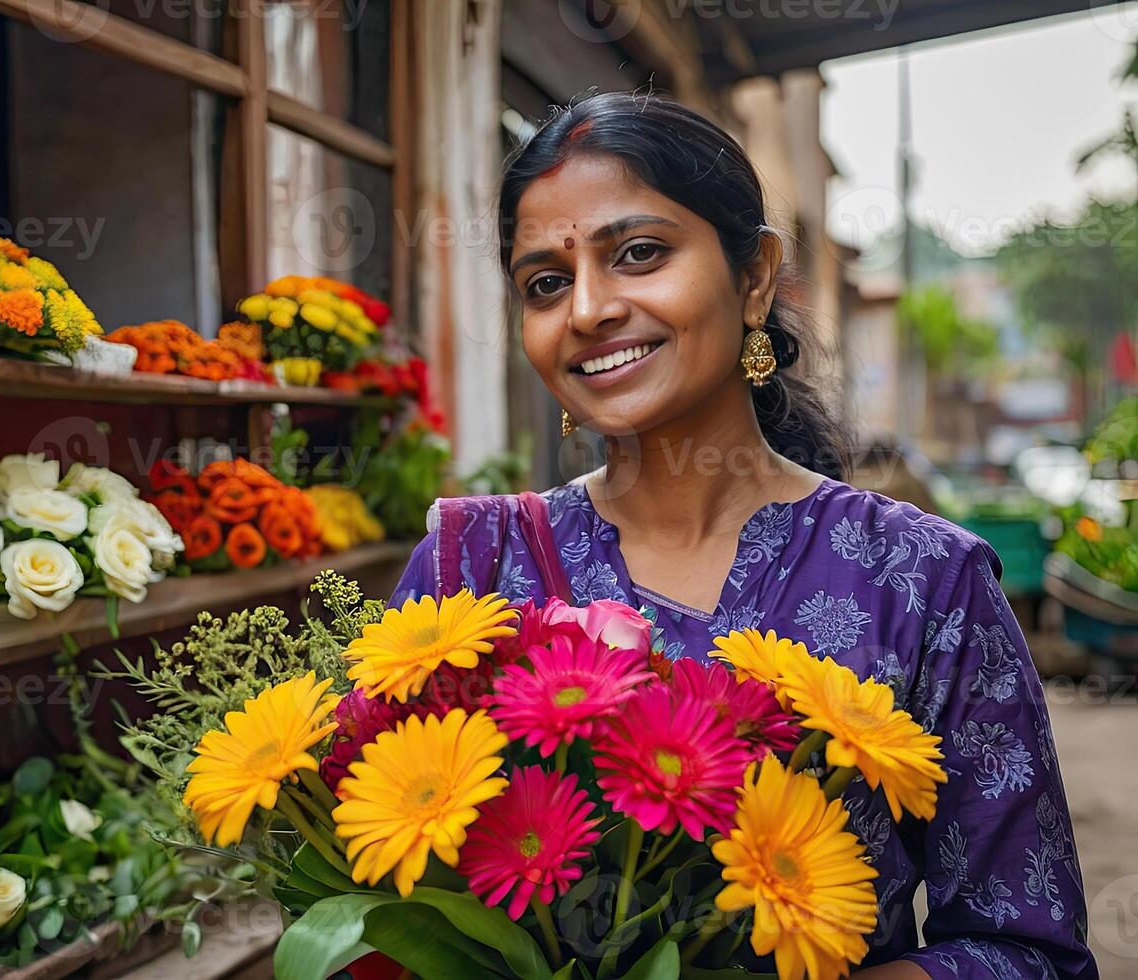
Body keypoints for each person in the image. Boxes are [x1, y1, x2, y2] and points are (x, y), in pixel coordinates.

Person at [389, 92, 1097, 979]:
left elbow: (1027, 949)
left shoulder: (923, 581)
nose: (587, 310)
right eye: (545, 282)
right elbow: (388, 898)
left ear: (756, 275)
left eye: (639, 254)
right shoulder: (472, 569)